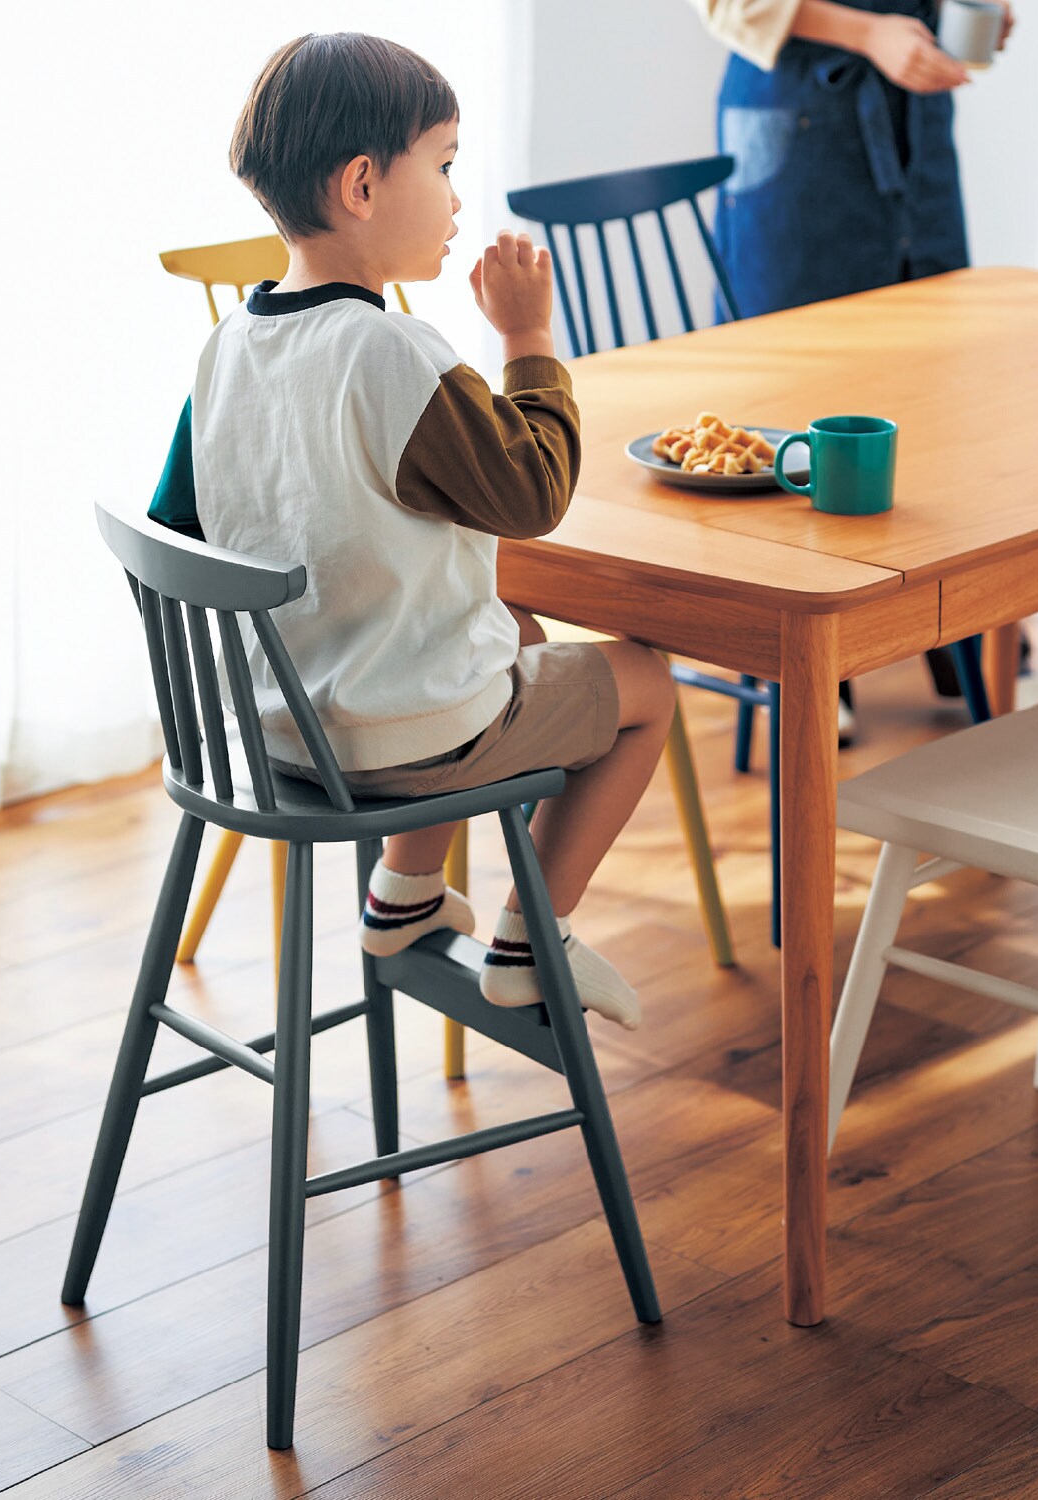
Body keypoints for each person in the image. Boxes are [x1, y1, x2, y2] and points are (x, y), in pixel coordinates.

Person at [147, 33, 675, 1029]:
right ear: (361, 185)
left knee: (511, 629)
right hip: (398, 742)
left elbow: (180, 529)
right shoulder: (392, 352)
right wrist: (526, 337)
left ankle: (404, 899)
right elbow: (532, 497)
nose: (457, 197)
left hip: (277, 731)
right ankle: (531, 939)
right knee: (646, 685)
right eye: (443, 165)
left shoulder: (226, 349)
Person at [688, 0, 1015, 729]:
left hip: (911, 121)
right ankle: (804, 658)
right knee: (793, 375)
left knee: (925, 368)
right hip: (798, 115)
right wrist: (871, 33)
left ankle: (936, 619)